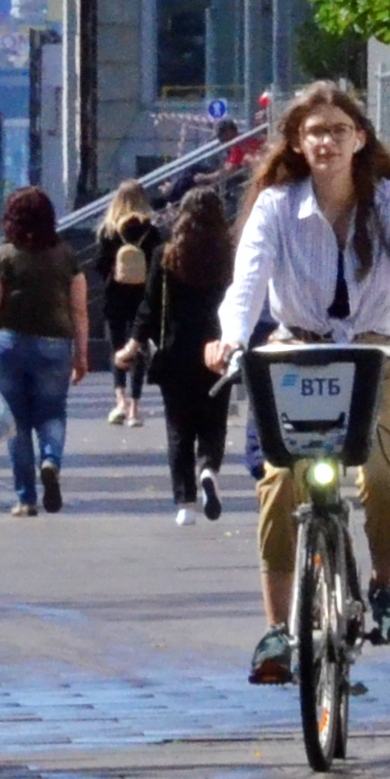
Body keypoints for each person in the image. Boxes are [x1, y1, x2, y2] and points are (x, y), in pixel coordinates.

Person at [208, 77, 390, 682]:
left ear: (359, 139)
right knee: (280, 482)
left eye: (339, 131)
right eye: (315, 132)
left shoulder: (388, 199)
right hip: (296, 350)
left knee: (386, 479)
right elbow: (247, 282)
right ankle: (277, 630)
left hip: (372, 350)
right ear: (296, 140)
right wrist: (231, 338)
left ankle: (385, 588)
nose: (327, 142)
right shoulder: (276, 204)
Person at [0, 186, 83, 516]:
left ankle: (26, 498)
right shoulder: (66, 256)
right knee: (52, 412)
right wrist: (82, 354)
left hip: (9, 344)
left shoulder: (2, 256)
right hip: (55, 344)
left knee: (16, 422)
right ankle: (50, 460)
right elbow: (80, 309)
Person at [143, 185, 238, 525]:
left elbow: (150, 307)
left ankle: (185, 502)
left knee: (179, 429)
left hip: (176, 352)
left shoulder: (166, 255)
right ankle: (209, 469)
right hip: (219, 349)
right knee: (214, 421)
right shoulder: (230, 256)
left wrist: (136, 342)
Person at [94, 182, 159, 427]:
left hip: (115, 297)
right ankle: (135, 407)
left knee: (117, 347)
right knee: (138, 349)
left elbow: (99, 264)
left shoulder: (109, 230)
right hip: (142, 298)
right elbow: (157, 262)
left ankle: (119, 400)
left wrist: (114, 272)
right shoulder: (150, 230)